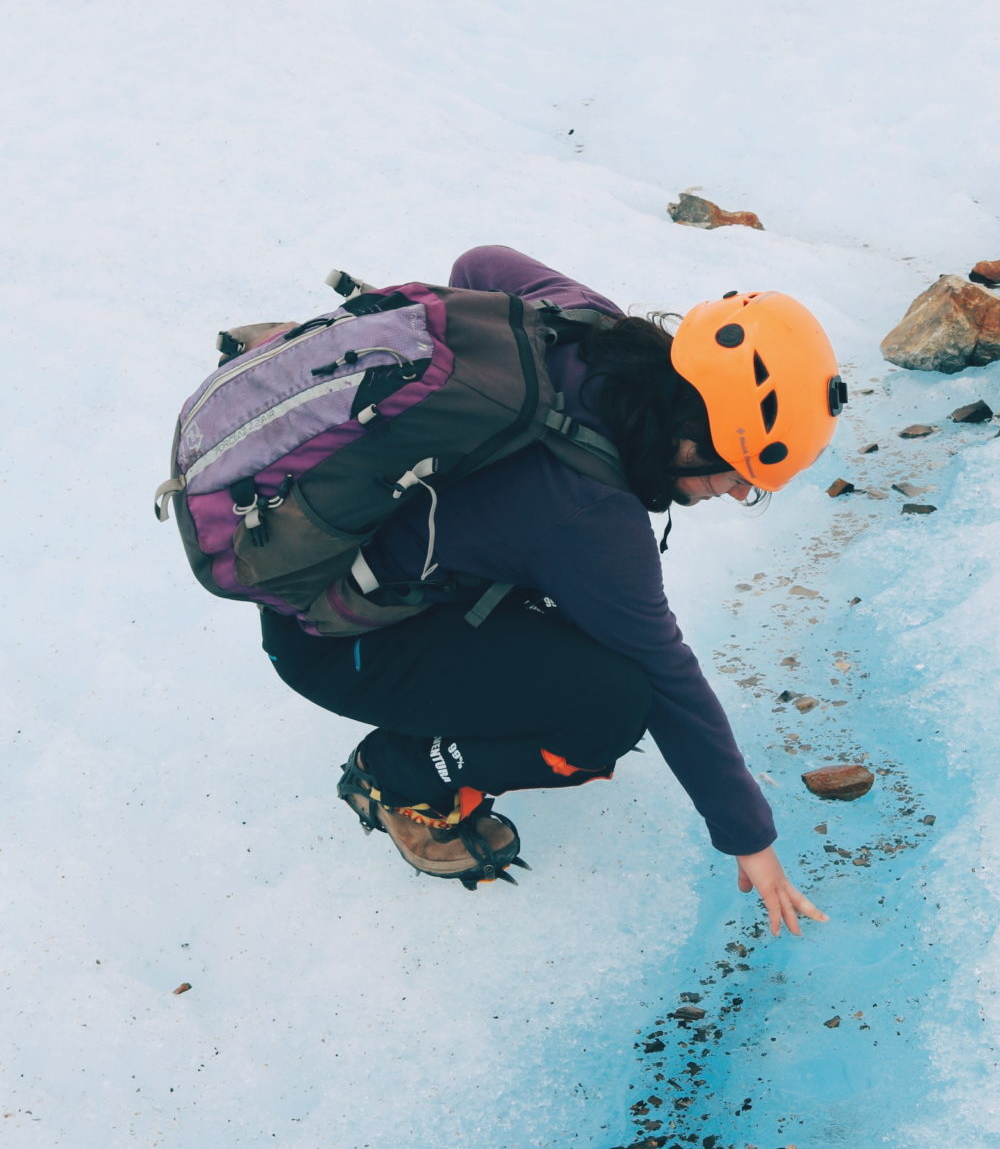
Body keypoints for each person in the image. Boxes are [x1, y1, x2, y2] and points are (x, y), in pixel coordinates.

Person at [258, 245, 836, 936]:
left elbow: (482, 266)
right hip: (334, 637)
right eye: (738, 472)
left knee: (575, 620)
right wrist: (749, 835)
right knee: (609, 707)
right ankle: (400, 775)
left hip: (327, 554)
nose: (738, 489)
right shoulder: (592, 519)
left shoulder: (583, 323)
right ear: (692, 434)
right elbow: (667, 676)